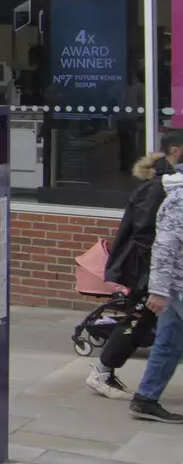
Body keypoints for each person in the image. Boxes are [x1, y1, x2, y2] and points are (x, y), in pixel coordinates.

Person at [88, 143, 183, 398]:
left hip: (158, 272)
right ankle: (102, 372)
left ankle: (132, 387)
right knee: (139, 320)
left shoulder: (161, 184)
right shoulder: (160, 187)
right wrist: (155, 274)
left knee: (155, 327)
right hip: (149, 271)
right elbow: (146, 233)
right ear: (175, 152)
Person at [132, 163, 183, 422]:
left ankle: (145, 398)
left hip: (175, 289)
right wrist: (159, 291)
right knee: (167, 344)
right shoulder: (179, 199)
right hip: (178, 287)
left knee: (168, 344)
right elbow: (164, 248)